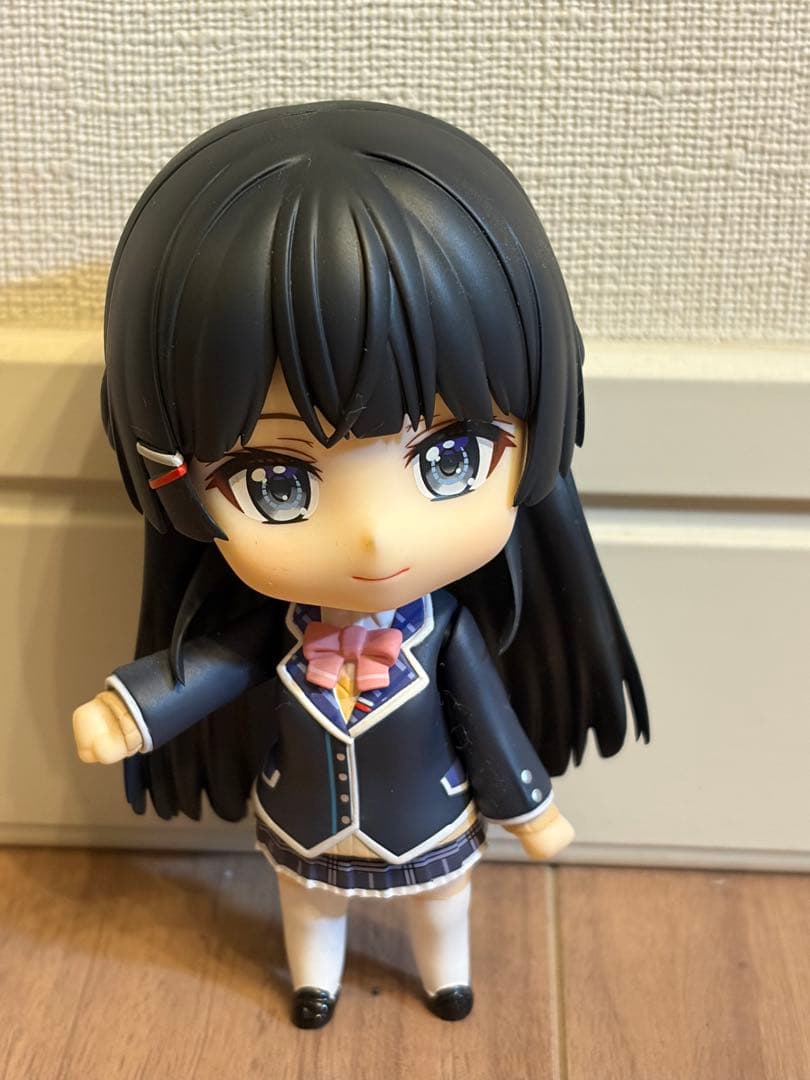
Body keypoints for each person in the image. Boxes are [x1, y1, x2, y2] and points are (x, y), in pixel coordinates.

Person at [72, 102, 648, 1028]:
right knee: (310, 907)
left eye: (450, 457)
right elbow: (215, 666)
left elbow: (492, 729)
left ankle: (446, 975)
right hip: (305, 824)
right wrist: (131, 711)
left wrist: (530, 810)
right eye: (276, 483)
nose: (375, 538)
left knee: (442, 904)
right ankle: (316, 981)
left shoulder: (445, 633)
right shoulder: (279, 631)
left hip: (427, 823)